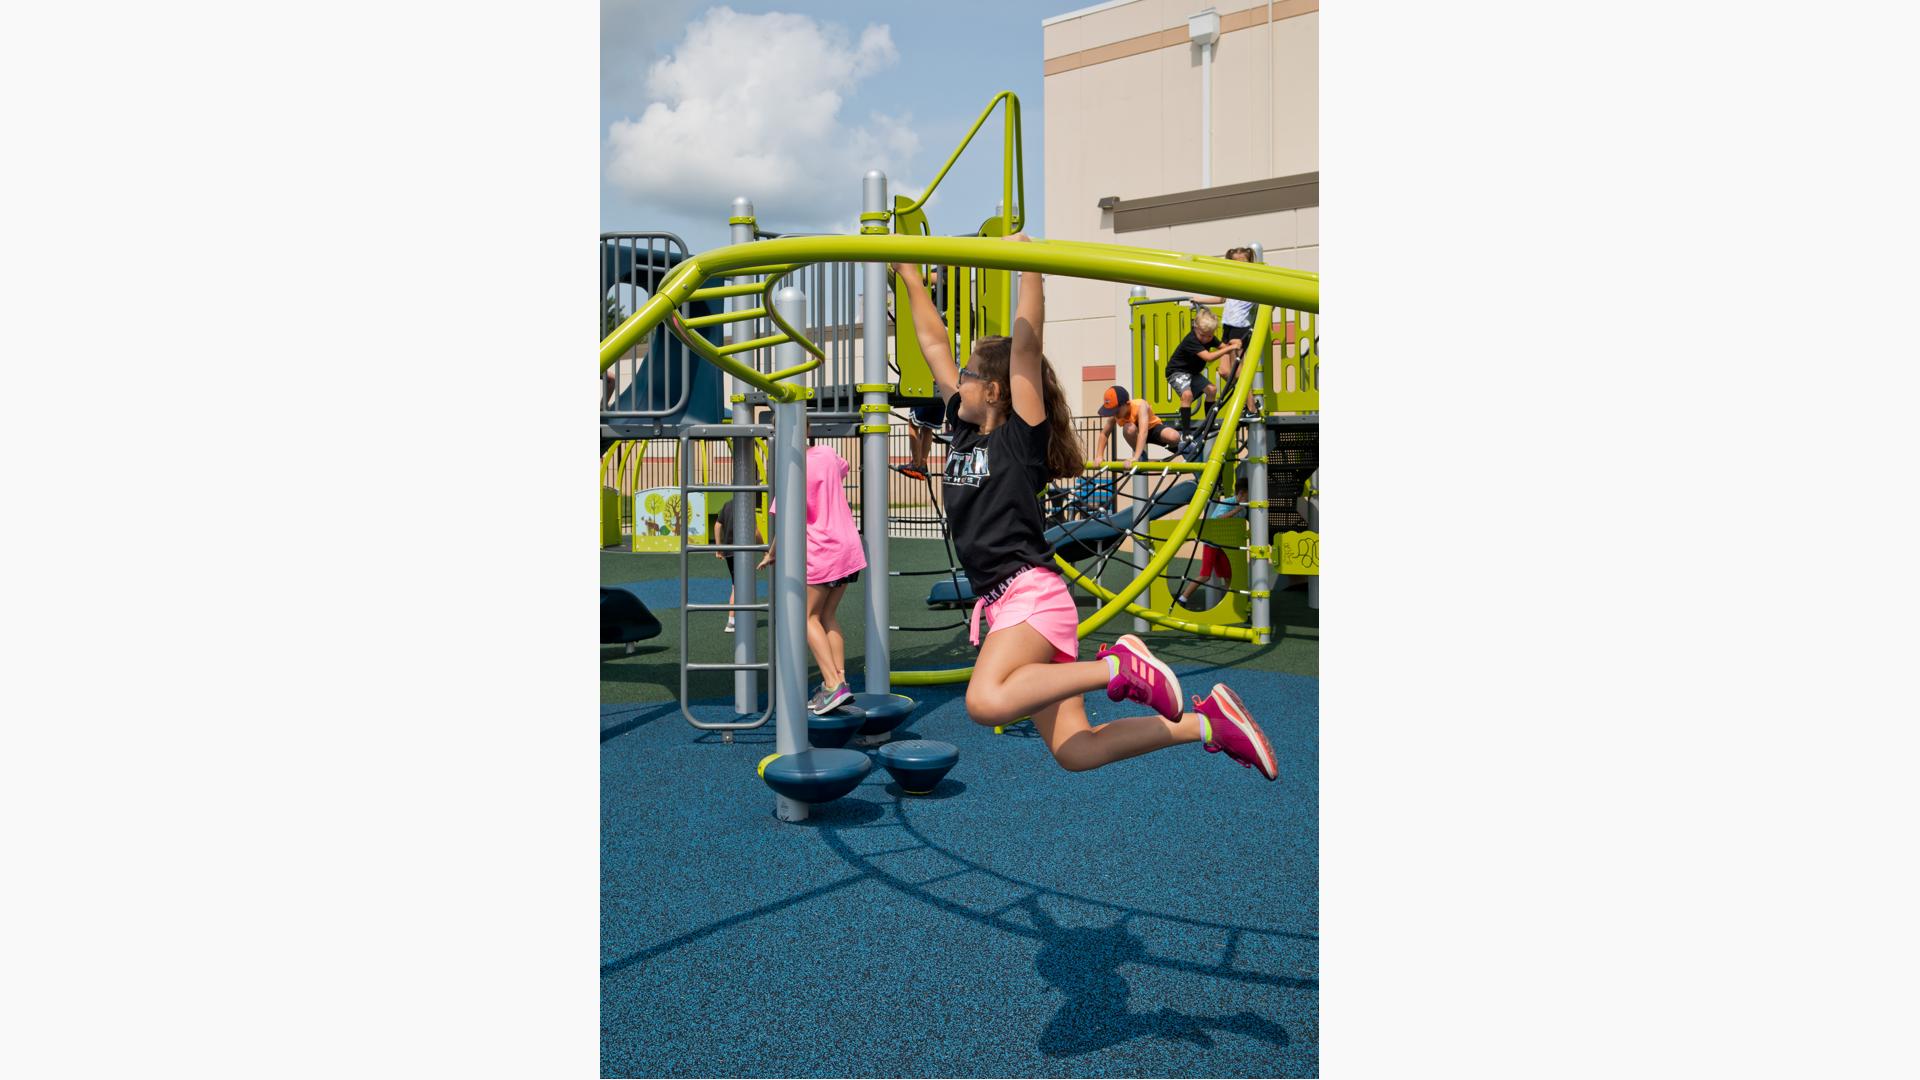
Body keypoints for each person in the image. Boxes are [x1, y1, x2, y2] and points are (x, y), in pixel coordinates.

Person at [891, 237, 1276, 782]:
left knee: (984, 702)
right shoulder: (961, 426)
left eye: (970, 374)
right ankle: (1207, 725)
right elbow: (932, 345)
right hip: (1010, 604)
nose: (958, 379)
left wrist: (1028, 267)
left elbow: (1026, 346)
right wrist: (908, 276)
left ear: (997, 390)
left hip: (1027, 593)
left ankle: (1118, 667)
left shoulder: (1019, 436)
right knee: (1077, 749)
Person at [757, 442, 866, 714]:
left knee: (805, 618)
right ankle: (840, 680)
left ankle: (832, 685)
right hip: (849, 546)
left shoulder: (791, 470)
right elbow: (844, 468)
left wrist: (772, 552)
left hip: (823, 549)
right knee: (827, 615)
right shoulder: (827, 452)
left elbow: (787, 521)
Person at [1192, 246, 1258, 408]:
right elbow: (1221, 299)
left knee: (1238, 370)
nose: (1240, 266)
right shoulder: (1231, 281)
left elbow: (1267, 298)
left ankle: (1251, 408)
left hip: (1240, 328)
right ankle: (1248, 400)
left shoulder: (1252, 280)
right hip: (1228, 327)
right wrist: (1199, 300)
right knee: (1224, 371)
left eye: (1243, 262)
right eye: (1236, 263)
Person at [1165, 307, 1241, 436]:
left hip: (1193, 373)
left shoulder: (1209, 337)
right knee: (1187, 395)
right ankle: (1186, 432)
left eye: (1210, 336)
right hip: (1177, 371)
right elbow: (1209, 357)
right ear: (1196, 328)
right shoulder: (1191, 340)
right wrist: (1231, 348)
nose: (1206, 339)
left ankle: (1209, 424)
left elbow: (1224, 347)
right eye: (1203, 335)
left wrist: (1234, 344)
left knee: (1212, 390)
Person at [1178, 475, 1249, 609]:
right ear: (1241, 494)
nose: (1249, 500)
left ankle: (1233, 604)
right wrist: (1235, 510)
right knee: (1205, 575)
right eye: (1247, 496)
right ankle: (1183, 598)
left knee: (1228, 576)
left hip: (1224, 547)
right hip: (1211, 544)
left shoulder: (1244, 509)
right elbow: (1217, 519)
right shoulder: (1228, 503)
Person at [1096, 384, 1185, 464]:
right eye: (1112, 411)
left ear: (1127, 404)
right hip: (1135, 435)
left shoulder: (1140, 405)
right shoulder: (1114, 415)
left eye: (1116, 411)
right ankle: (1142, 455)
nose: (1115, 414)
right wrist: (1099, 456)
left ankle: (1180, 446)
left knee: (1174, 436)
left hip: (1152, 429)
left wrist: (1135, 457)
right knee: (1128, 428)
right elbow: (1104, 434)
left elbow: (1143, 432)